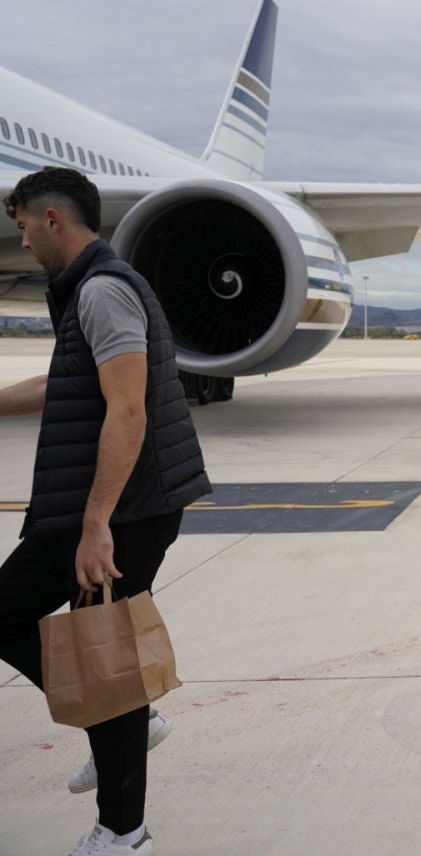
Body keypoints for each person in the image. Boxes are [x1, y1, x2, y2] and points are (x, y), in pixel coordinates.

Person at [0, 168, 211, 855]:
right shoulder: (87, 290)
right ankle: (124, 724)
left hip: (121, 511)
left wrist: (96, 529)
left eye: (25, 226)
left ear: (53, 220)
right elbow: (64, 385)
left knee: (104, 658)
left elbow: (126, 408)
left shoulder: (102, 290)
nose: (23, 241)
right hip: (109, 504)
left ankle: (124, 832)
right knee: (91, 656)